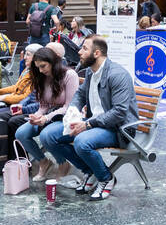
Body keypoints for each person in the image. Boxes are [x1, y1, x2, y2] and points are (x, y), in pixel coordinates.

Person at [37, 36, 137, 201]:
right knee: (48, 136)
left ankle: (106, 178)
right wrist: (73, 111)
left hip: (118, 128)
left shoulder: (118, 75)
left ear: (96, 53)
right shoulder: (92, 72)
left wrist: (88, 124)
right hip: (93, 124)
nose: (79, 51)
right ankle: (91, 171)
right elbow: (80, 94)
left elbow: (119, 112)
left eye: (84, 48)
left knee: (81, 141)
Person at [14, 46, 80, 183]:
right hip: (48, 117)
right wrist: (37, 116)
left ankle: (63, 163)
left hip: (65, 118)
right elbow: (43, 105)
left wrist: (46, 118)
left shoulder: (69, 75)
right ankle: (43, 161)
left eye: (43, 66)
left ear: (53, 62)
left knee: (46, 135)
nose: (41, 70)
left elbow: (69, 106)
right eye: (38, 67)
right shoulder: (42, 77)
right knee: (21, 133)